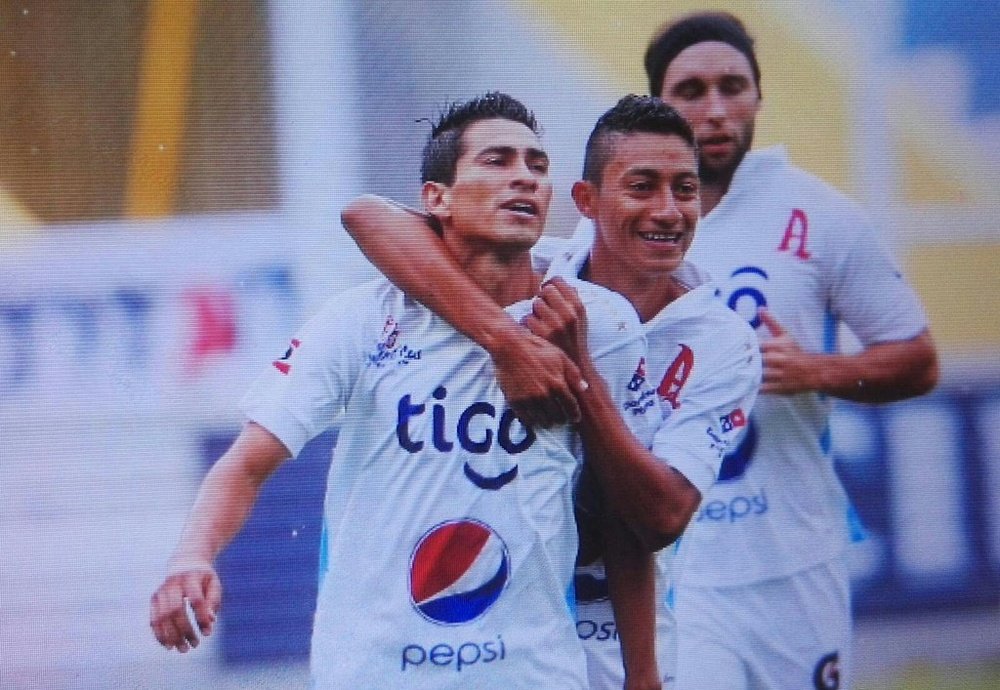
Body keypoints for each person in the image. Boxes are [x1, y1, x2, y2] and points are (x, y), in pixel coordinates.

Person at [149, 92, 664, 689]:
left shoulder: (598, 321)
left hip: (533, 669)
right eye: (497, 160)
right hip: (377, 669)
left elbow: (627, 516)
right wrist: (192, 554)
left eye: (537, 166)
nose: (524, 176)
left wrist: (642, 676)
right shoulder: (363, 321)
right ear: (435, 199)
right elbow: (244, 466)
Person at [340, 95, 762, 689]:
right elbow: (366, 216)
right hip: (501, 630)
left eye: (685, 190)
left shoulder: (722, 343)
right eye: (642, 187)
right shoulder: (534, 269)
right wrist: (508, 344)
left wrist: (578, 371)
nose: (668, 212)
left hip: (614, 636)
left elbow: (658, 517)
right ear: (585, 202)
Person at [642, 12, 940, 689]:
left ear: (758, 96)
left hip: (794, 559)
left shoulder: (820, 214)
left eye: (732, 86)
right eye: (691, 91)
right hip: (679, 567)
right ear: (656, 104)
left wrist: (819, 370)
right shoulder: (628, 228)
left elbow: (918, 359)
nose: (715, 110)